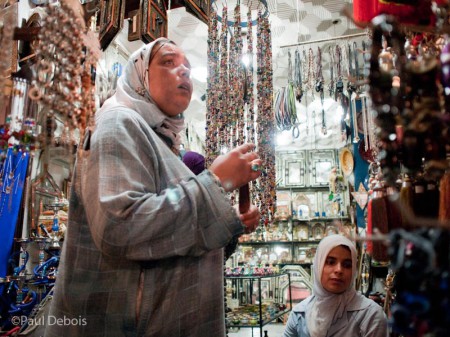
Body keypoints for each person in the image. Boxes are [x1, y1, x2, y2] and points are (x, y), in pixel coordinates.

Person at [45, 37, 262, 337]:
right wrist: (216, 181)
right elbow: (119, 227)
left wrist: (229, 223)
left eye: (187, 65)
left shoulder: (161, 142)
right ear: (140, 75)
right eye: (168, 62)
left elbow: (171, 240)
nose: (184, 71)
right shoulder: (117, 123)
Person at [283, 234, 388, 337]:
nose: (339, 270)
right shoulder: (299, 315)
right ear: (318, 265)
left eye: (347, 265)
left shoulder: (370, 315)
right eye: (330, 262)